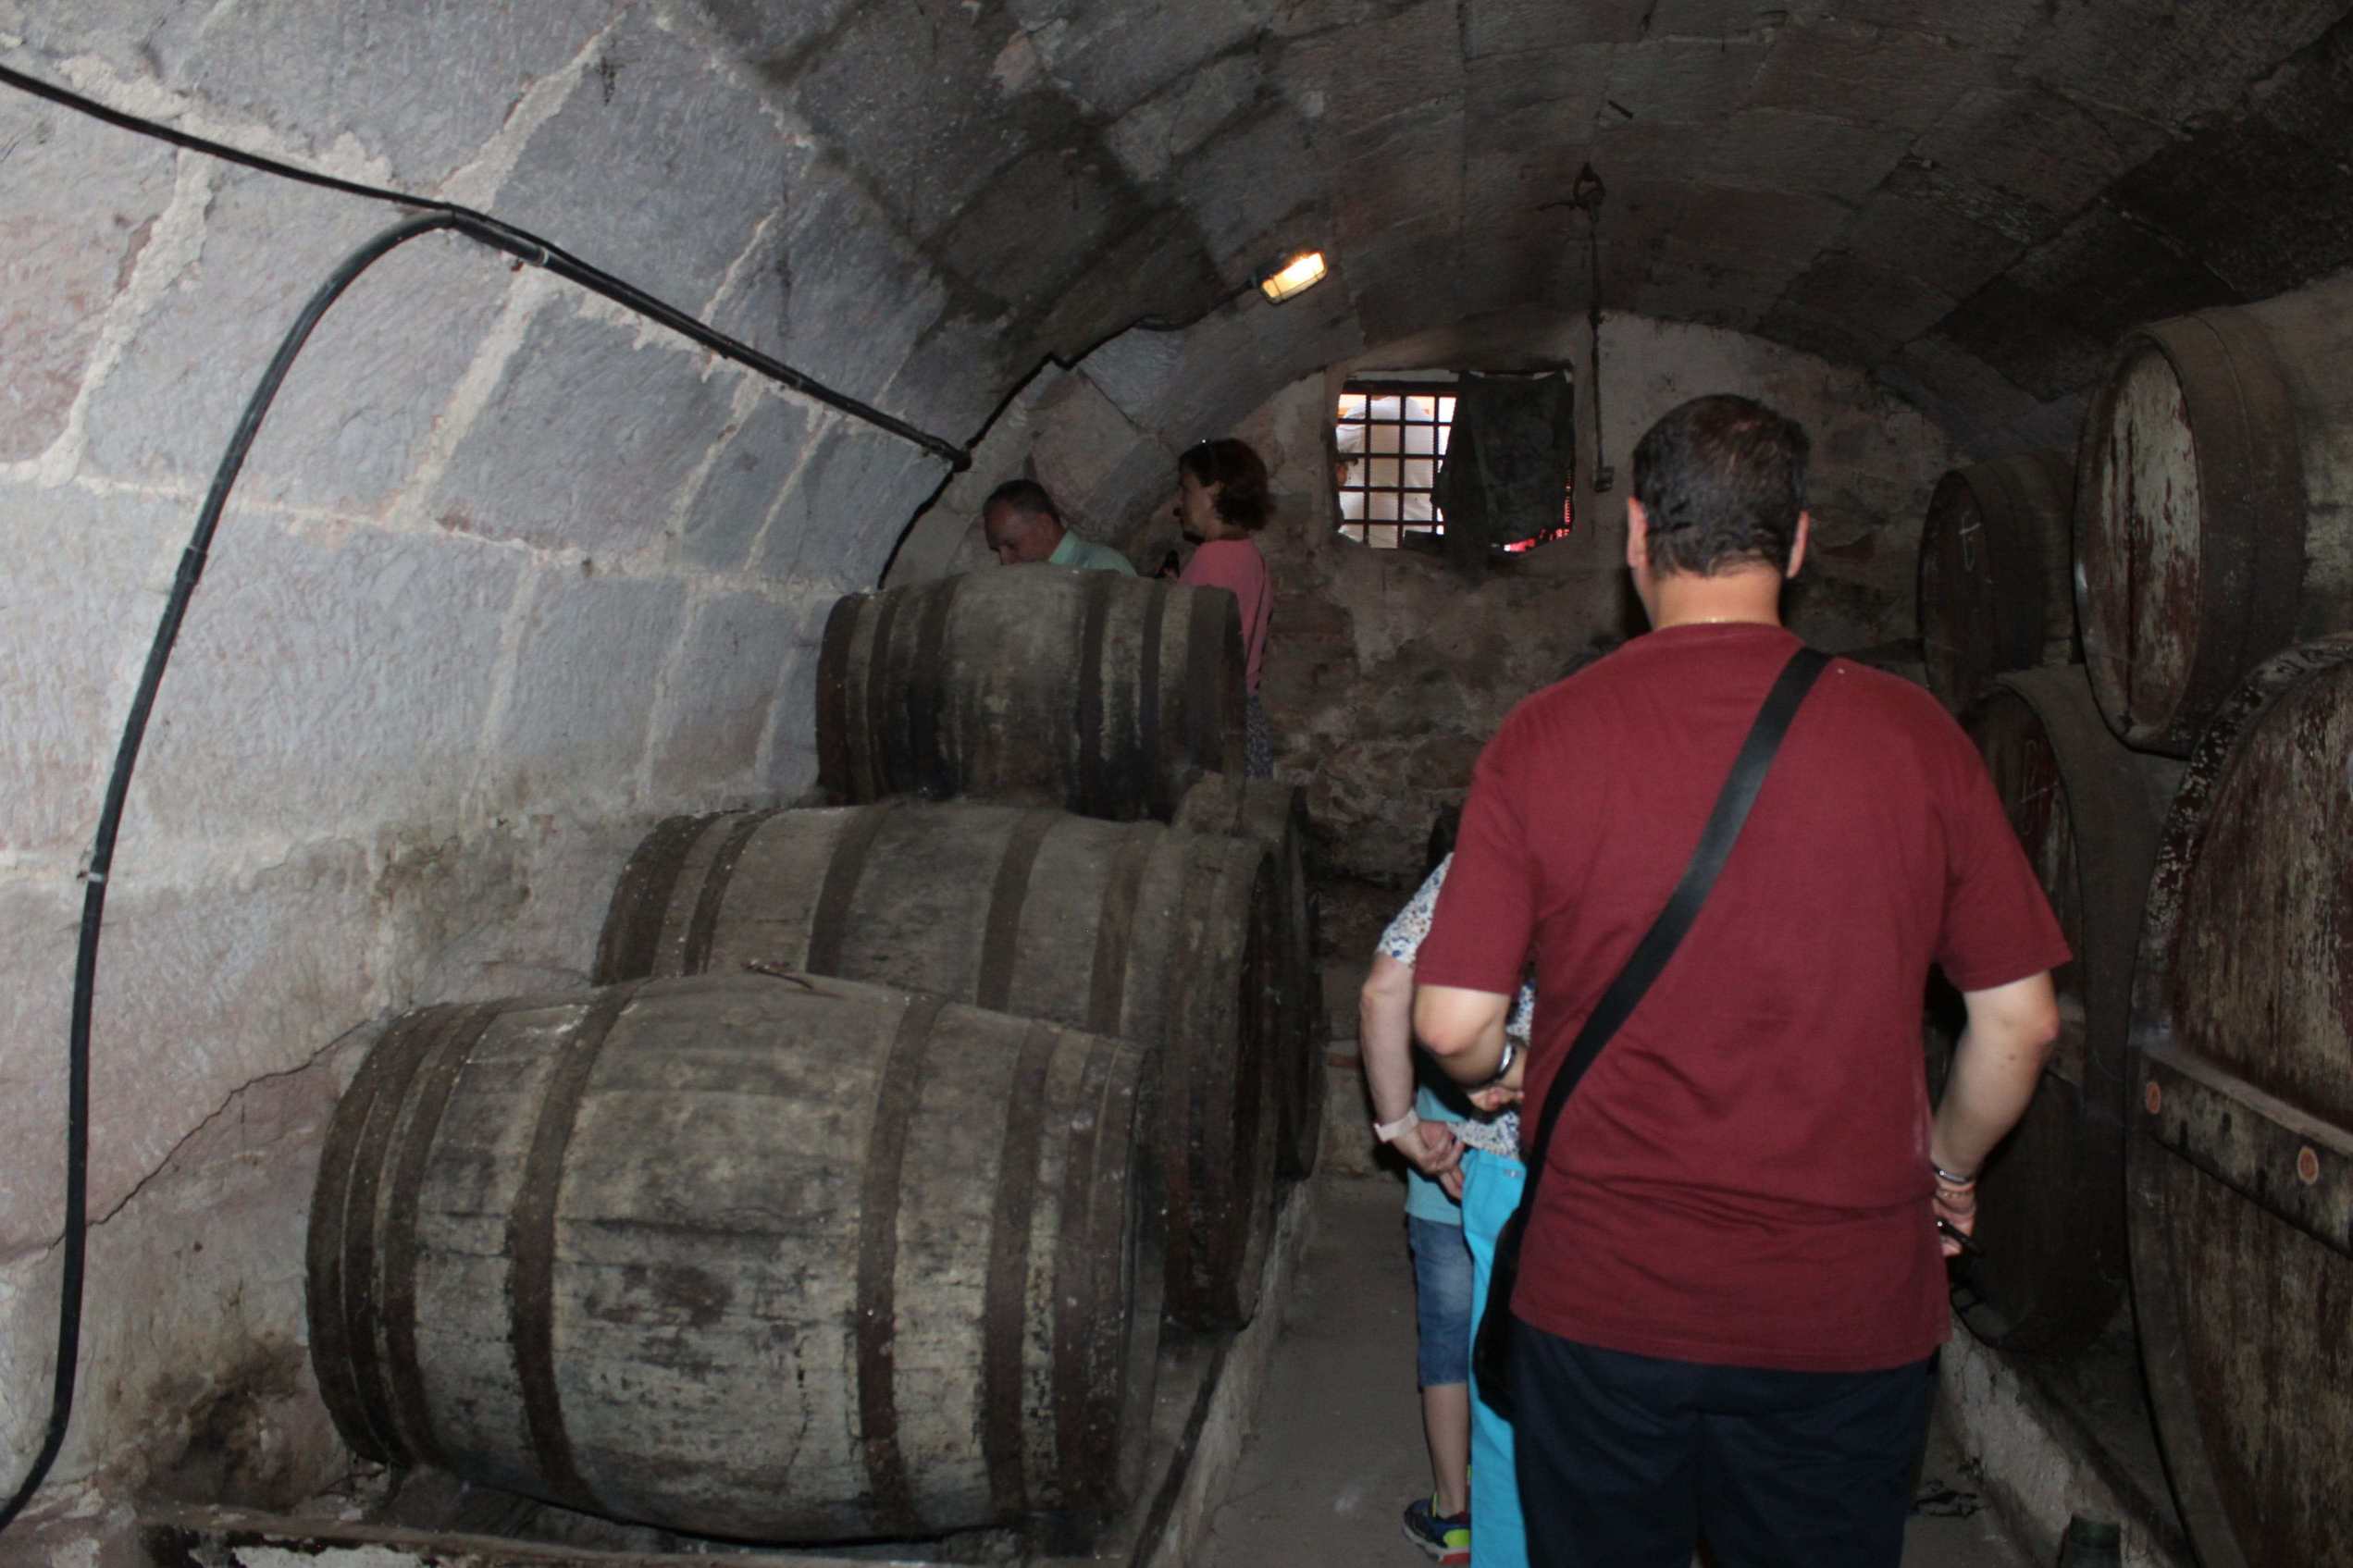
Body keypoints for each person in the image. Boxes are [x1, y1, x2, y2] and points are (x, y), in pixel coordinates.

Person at [1411, 393, 2067, 1567]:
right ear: (1799, 542)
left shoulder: (1544, 736)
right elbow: (2015, 1021)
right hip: (1842, 1310)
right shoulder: (1913, 736)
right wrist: (1948, 1170)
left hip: (1603, 1300)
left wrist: (1509, 1068)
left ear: (1631, 536)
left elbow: (1451, 1026)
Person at [1360, 818, 1535, 1568]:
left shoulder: (1498, 857)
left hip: (1497, 1162)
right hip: (1636, 1163)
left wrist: (1400, 1121)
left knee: (1488, 1376)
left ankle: (1466, 1523)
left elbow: (1386, 986)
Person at [1173, 438, 1277, 776]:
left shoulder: (1213, 557)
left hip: (1215, 720)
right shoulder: (1248, 553)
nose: (1180, 502)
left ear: (1214, 492)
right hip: (1244, 714)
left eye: (1187, 490)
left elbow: (1191, 649)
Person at [981, 478, 1136, 573]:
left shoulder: (1101, 566)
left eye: (1011, 545)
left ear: (1044, 526)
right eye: (997, 550)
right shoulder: (1028, 580)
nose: (1005, 561)